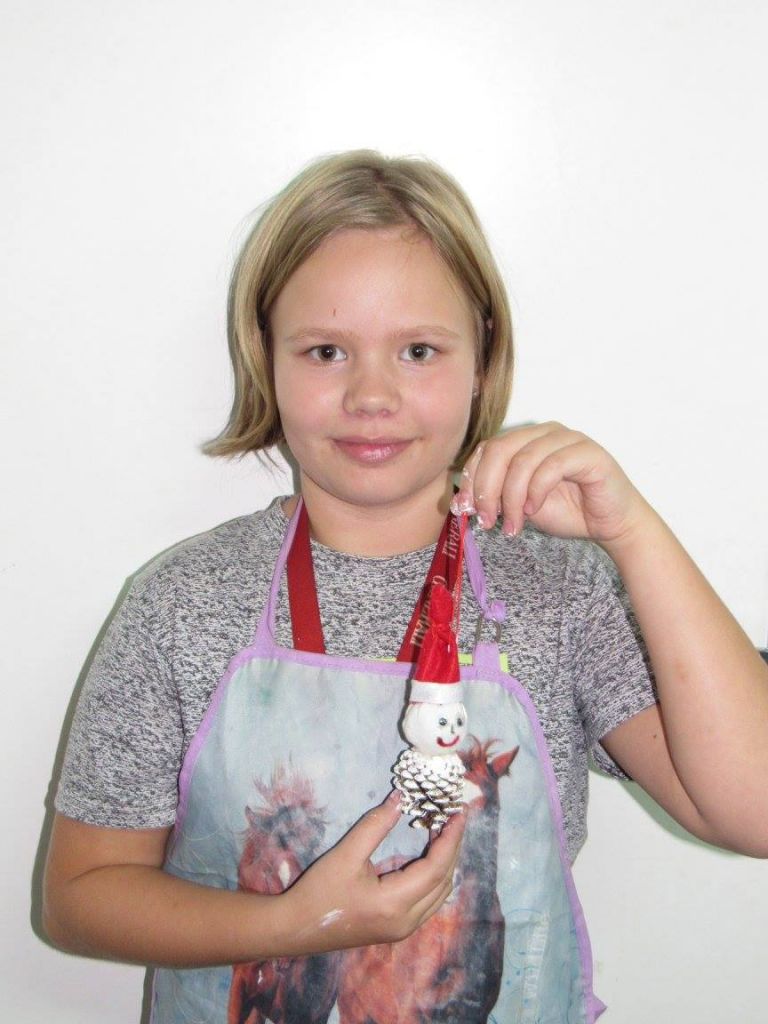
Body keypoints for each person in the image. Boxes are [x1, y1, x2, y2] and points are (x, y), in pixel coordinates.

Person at [43, 150, 768, 1023]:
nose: (372, 395)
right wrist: (294, 923)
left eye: (418, 350)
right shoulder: (182, 603)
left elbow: (756, 812)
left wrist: (634, 532)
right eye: (326, 351)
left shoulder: (563, 593)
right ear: (266, 358)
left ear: (482, 355)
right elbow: (80, 895)